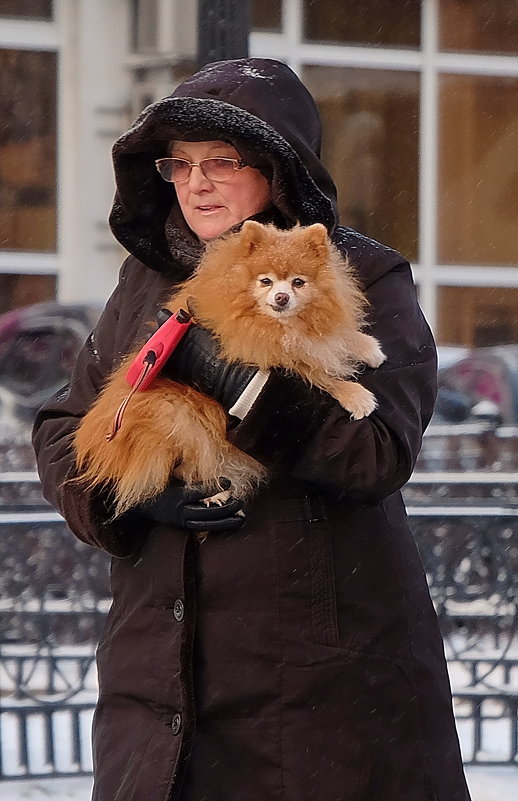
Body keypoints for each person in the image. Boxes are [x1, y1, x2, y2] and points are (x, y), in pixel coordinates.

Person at [32, 58, 471, 801]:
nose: (196, 184)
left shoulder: (362, 275)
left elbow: (377, 452)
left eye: (222, 162)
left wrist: (238, 379)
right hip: (157, 694)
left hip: (314, 698)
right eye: (181, 164)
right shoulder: (145, 281)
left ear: (278, 167)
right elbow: (62, 427)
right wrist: (124, 497)